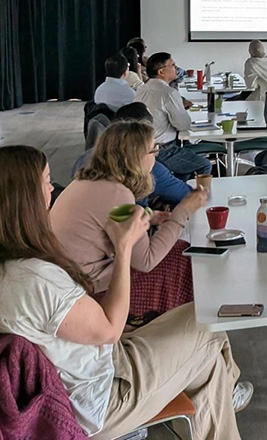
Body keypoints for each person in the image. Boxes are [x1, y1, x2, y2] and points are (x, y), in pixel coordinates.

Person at [0, 145, 250, 439]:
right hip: (100, 399)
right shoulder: (33, 278)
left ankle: (227, 387)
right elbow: (110, 329)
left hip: (89, 368)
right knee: (209, 330)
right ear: (25, 199)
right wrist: (123, 246)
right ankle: (231, 386)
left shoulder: (13, 268)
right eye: (45, 180)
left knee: (206, 352)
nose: (51, 189)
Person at [52, 122, 207, 326]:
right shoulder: (117, 193)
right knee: (182, 256)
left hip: (66, 280)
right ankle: (176, 325)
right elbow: (146, 261)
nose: (157, 155)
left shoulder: (87, 181)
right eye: (154, 149)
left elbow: (101, 222)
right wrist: (183, 211)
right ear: (135, 157)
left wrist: (147, 217)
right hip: (90, 290)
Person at [72, 102, 192, 208]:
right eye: (153, 147)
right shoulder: (122, 191)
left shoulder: (84, 160)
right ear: (137, 149)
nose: (156, 154)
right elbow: (188, 196)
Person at [134, 52, 212, 180]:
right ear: (161, 72)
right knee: (204, 165)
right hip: (163, 150)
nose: (176, 68)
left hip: (143, 147)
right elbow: (184, 125)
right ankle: (195, 197)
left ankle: (179, 192)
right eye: (173, 65)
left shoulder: (142, 89)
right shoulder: (168, 93)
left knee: (186, 167)